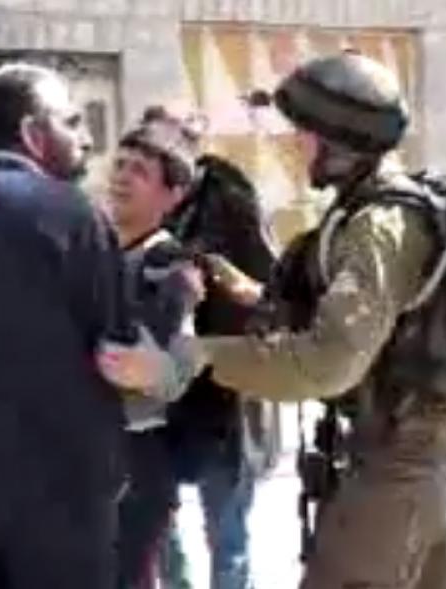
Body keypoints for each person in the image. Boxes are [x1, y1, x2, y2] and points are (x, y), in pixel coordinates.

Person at [197, 51, 446, 588]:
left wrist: (197, 357)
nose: (295, 143)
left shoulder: (377, 227)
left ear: (339, 143)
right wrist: (254, 294)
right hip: (425, 454)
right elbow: (376, 316)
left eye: (305, 132)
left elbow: (328, 363)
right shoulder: (386, 209)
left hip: (394, 469)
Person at [0, 62, 159, 589]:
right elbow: (116, 348)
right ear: (33, 133)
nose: (86, 139)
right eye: (72, 122)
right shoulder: (71, 213)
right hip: (57, 495)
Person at [139, 105, 279, 589]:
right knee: (157, 528)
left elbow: (267, 290)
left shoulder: (230, 201)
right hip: (158, 392)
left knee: (226, 533)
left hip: (223, 389)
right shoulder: (142, 203)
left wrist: (208, 277)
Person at [101, 115, 207, 588]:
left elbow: (174, 371)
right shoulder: (98, 250)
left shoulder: (169, 267)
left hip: (138, 456)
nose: (122, 177)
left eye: (140, 171)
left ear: (172, 195)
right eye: (120, 165)